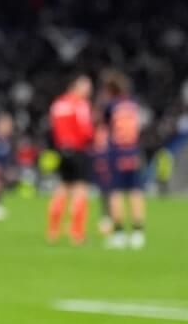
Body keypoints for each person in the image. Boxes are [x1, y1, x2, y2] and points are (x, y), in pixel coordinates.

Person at [46, 75, 96, 245]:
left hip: (62, 150)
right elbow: (86, 130)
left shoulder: (58, 104)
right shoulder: (80, 104)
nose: (88, 91)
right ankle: (77, 233)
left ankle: (53, 231)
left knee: (62, 188)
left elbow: (53, 128)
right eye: (86, 87)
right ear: (75, 86)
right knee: (80, 190)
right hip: (78, 150)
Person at [101, 71, 146, 249]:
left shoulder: (111, 106)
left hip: (117, 152)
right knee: (135, 192)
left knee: (116, 193)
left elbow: (105, 126)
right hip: (133, 151)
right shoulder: (133, 104)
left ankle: (119, 233)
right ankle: (138, 233)